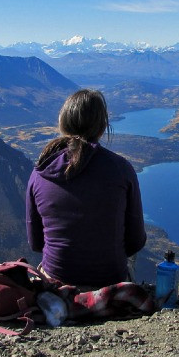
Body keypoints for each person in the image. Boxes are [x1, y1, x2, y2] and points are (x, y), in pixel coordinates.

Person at [26, 89, 146, 288]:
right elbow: (136, 241)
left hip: (56, 283)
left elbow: (36, 243)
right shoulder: (121, 169)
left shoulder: (40, 172)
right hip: (110, 282)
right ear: (102, 127)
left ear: (63, 124)